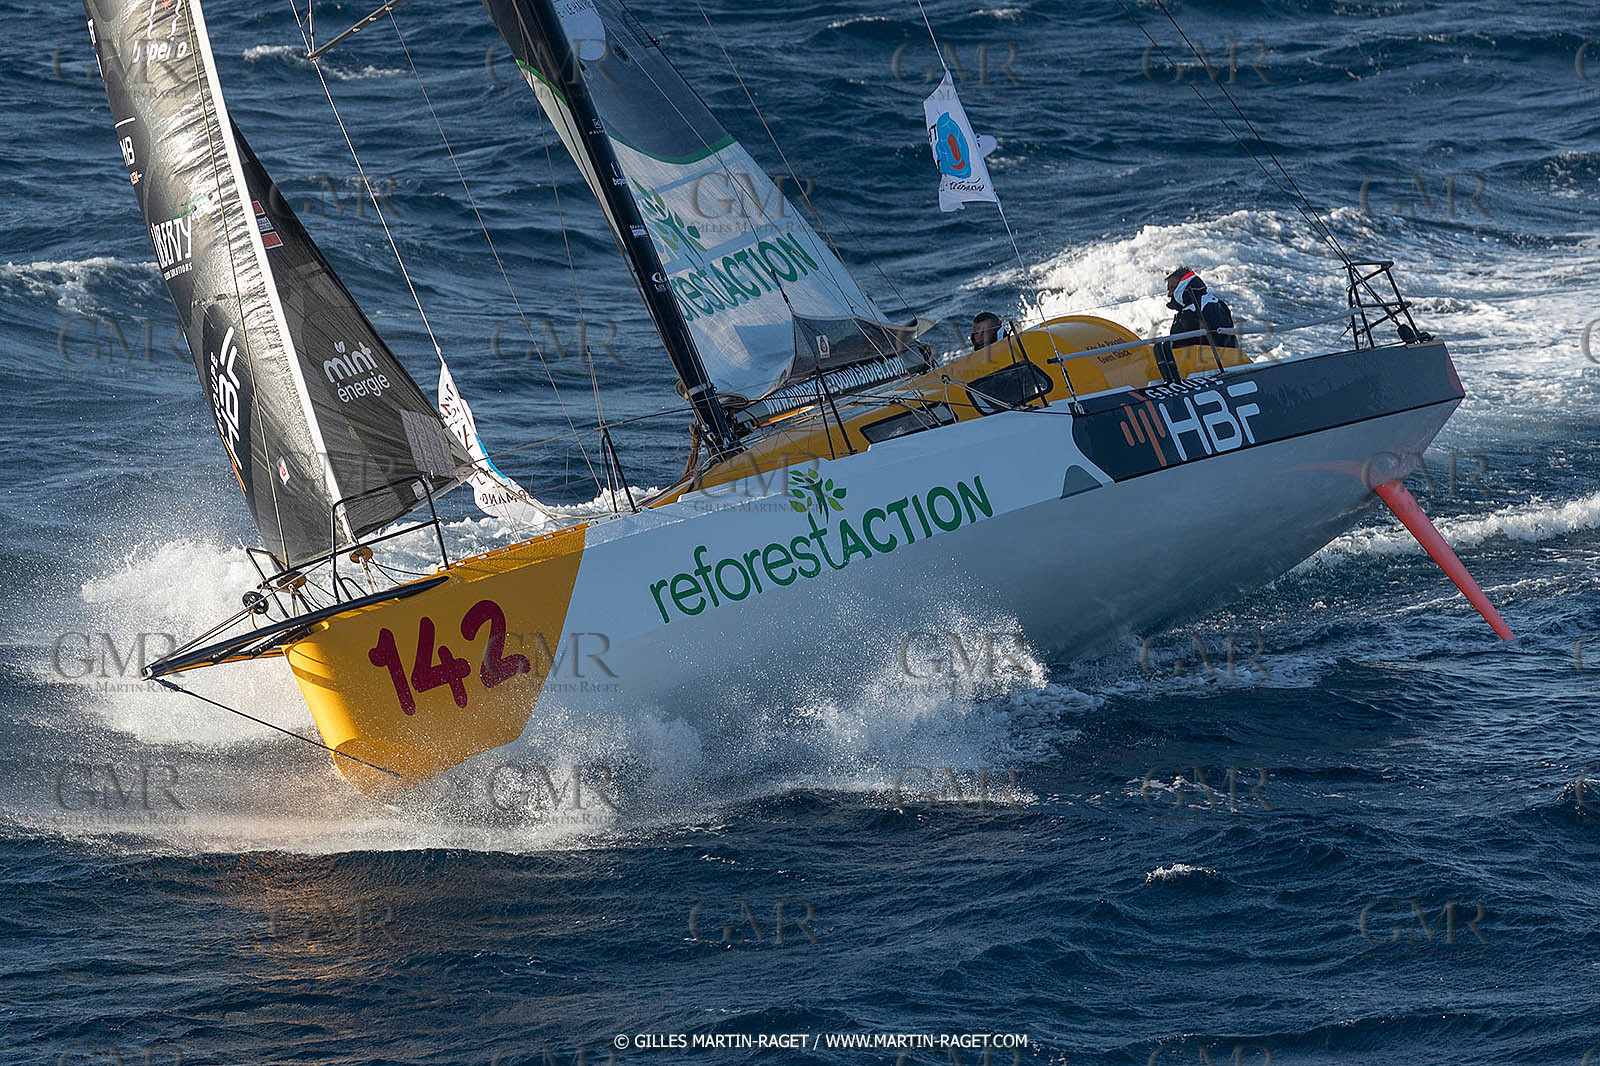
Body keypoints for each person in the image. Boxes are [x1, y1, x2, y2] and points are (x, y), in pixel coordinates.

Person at [1153, 267, 1237, 383]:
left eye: (1172, 289)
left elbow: (1221, 341)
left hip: (1212, 370)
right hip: (1192, 369)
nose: (1169, 294)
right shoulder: (1188, 309)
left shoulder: (1207, 305)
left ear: (1183, 286)